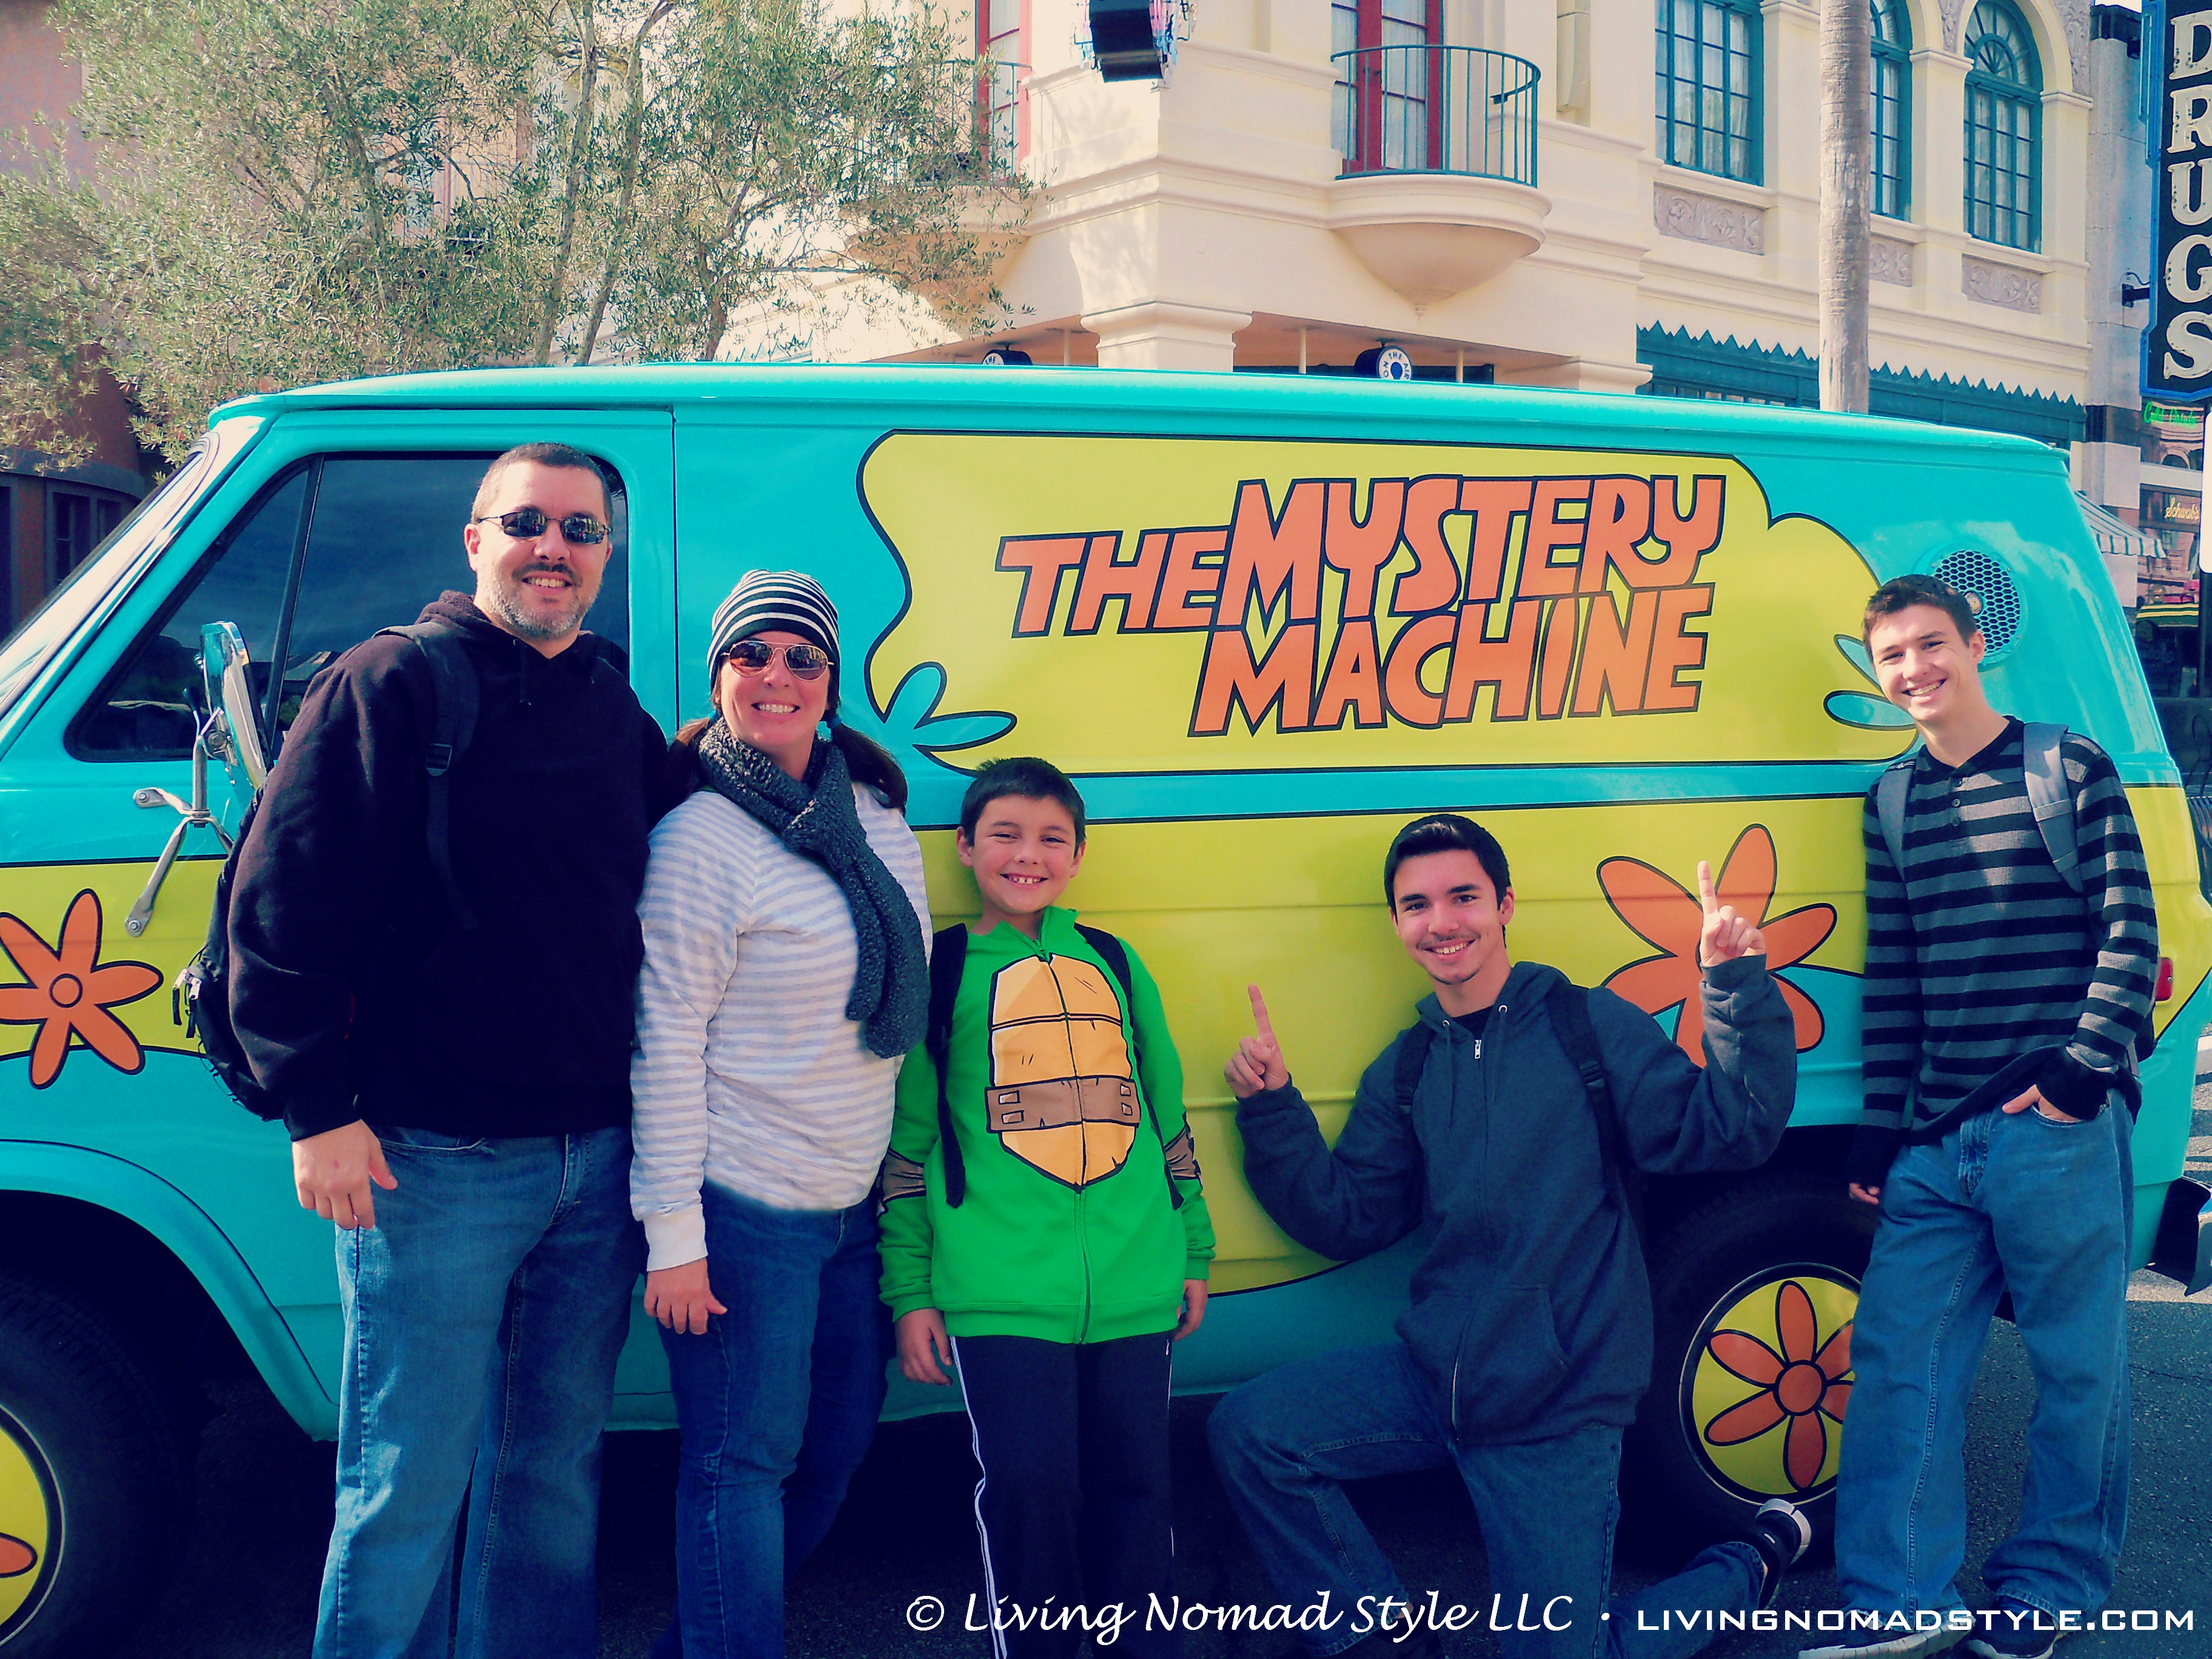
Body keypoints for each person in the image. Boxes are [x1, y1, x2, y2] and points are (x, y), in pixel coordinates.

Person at [227, 442, 668, 1659]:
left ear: (605, 556)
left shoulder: (608, 703)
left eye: (580, 530)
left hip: (595, 1160)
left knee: (552, 1476)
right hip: (431, 1163)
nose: (553, 548)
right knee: (406, 1483)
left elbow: (689, 836)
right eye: (526, 523)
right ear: (475, 540)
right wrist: (315, 1109)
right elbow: (281, 902)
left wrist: (836, 773)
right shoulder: (388, 682)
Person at [1207, 813, 1811, 1659]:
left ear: (1505, 906)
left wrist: (1733, 982)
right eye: (1417, 905)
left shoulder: (1589, 1027)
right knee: (1253, 1431)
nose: (1442, 922)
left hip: (1556, 1406)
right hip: (1439, 1381)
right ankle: (1373, 1639)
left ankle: (1746, 1565)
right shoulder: (1408, 1065)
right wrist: (1273, 1110)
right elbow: (1346, 1219)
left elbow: (1732, 1131)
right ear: (1397, 924)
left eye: (1463, 897)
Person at [1805, 577, 2157, 1659]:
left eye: (1931, 644)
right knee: (1898, 1367)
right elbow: (1898, 974)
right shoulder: (1891, 799)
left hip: (2052, 1126)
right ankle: (1897, 1600)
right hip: (1933, 1143)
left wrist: (2080, 1075)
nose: (1914, 669)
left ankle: (2050, 1589)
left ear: (1973, 646)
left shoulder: (2066, 766)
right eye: (1892, 656)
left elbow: (2130, 932)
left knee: (2076, 1373)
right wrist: (1882, 1131)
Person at [630, 569, 932, 1659]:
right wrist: (675, 1238)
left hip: (850, 1209)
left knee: (838, 1447)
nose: (777, 675)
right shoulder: (700, 839)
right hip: (744, 1212)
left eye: (803, 657)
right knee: (740, 1466)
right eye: (751, 652)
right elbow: (663, 1043)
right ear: (717, 676)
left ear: (831, 685)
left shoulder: (879, 819)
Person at [879, 757, 1214, 1658]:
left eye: (1051, 839)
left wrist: (1192, 1251)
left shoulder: (1115, 961)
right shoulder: (941, 970)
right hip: (999, 1295)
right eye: (1006, 835)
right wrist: (910, 1292)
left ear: (1077, 855)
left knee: (1138, 1494)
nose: (1028, 855)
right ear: (965, 847)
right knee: (1031, 1492)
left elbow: (1167, 1115)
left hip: (1136, 1283)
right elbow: (909, 1149)